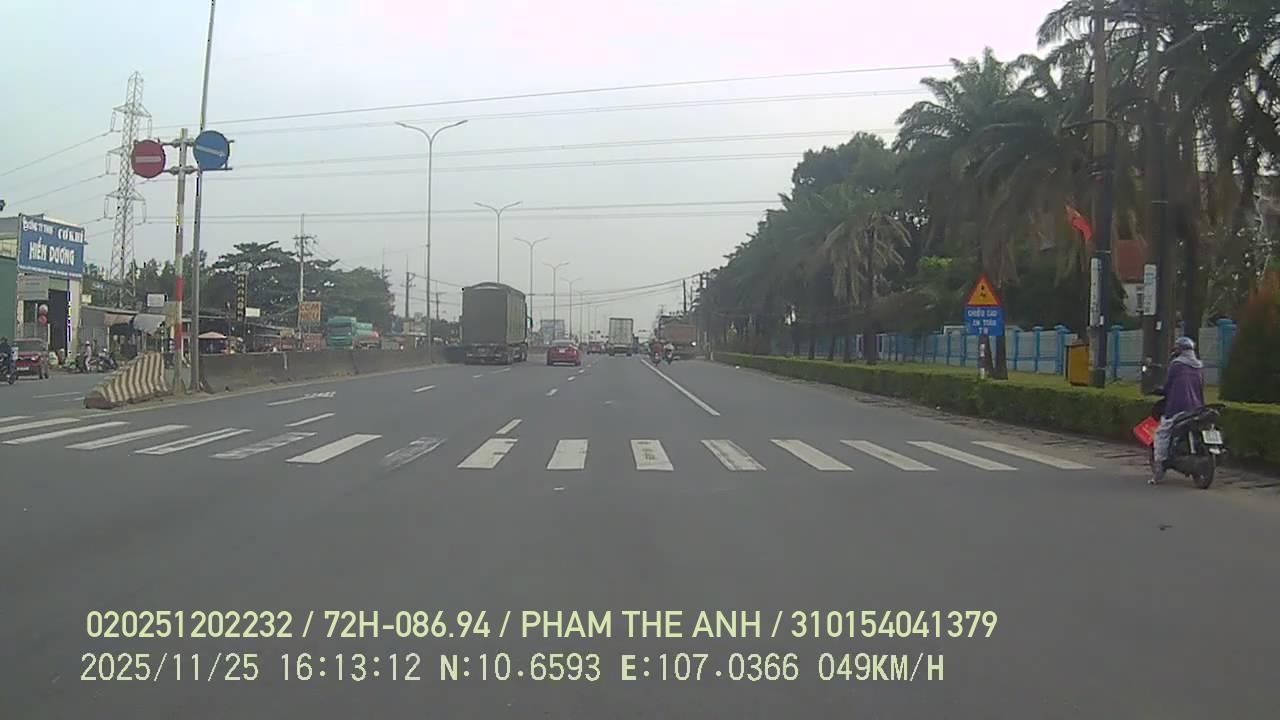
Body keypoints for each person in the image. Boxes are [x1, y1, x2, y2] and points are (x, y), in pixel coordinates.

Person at [1151, 336, 1205, 484]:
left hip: (1178, 407)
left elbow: (1168, 385)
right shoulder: (1199, 366)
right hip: (1197, 408)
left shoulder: (1176, 364)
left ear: (1179, 350)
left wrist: (1160, 390)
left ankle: (1159, 468)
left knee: (1161, 433)